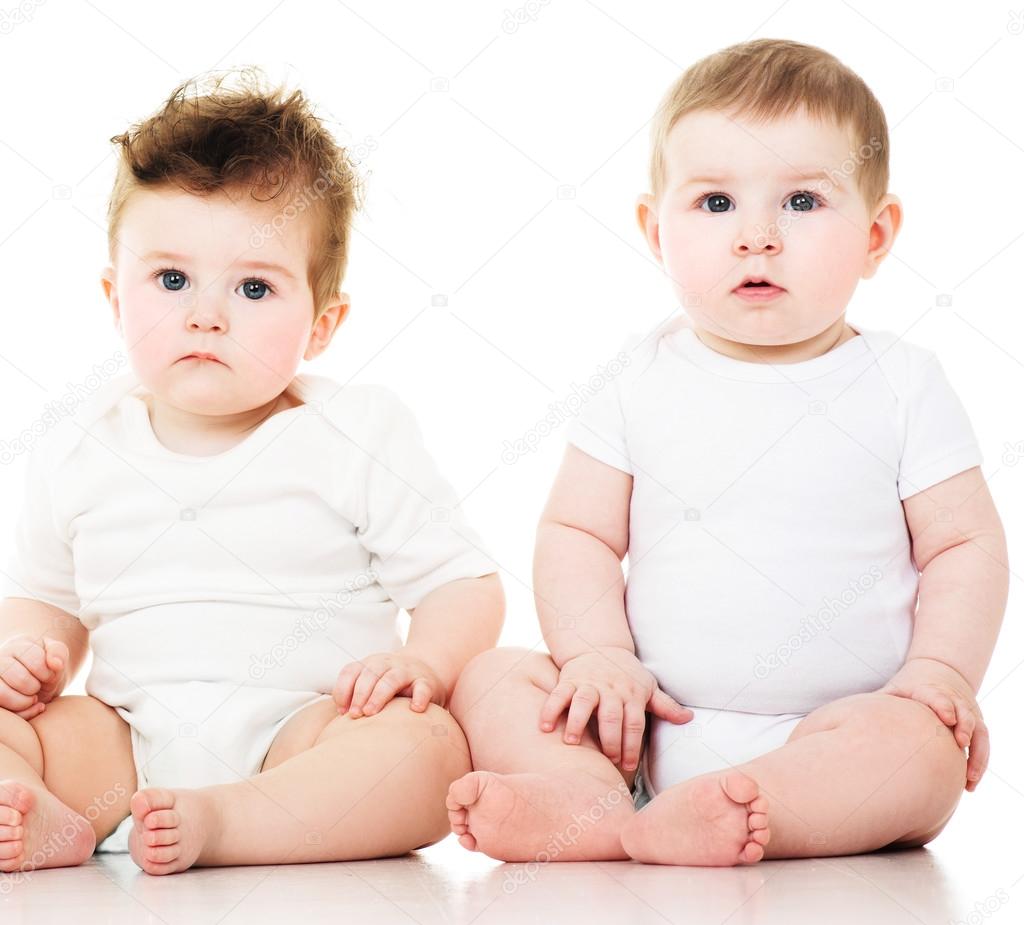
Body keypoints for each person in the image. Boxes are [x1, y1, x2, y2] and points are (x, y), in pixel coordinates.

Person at [445, 38, 1008, 866]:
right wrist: (598, 655)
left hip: (834, 731)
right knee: (492, 679)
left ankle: (757, 809)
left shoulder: (903, 385)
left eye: (803, 202)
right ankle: (598, 802)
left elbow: (966, 543)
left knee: (920, 751)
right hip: (646, 727)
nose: (757, 237)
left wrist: (939, 672)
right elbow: (579, 533)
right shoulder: (635, 379)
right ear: (654, 228)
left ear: (878, 233)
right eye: (715, 204)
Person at [0, 69, 503, 875]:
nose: (206, 314)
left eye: (255, 287)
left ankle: (229, 823)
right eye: (171, 280)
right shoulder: (77, 446)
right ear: (112, 296)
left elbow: (465, 584)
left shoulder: (354, 432)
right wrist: (30, 652)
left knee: (429, 748)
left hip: (306, 732)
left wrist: (425, 663)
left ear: (323, 322)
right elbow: (45, 599)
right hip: (122, 745)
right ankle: (53, 821)